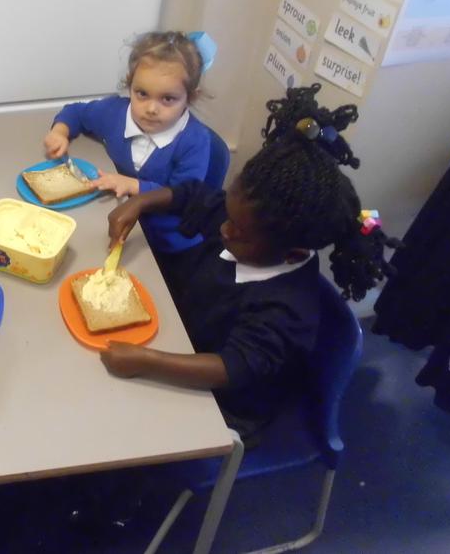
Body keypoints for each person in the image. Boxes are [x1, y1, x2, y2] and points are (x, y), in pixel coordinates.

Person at [100, 84, 400, 440]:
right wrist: (140, 202)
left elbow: (230, 368)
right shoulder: (247, 226)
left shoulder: (287, 311)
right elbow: (193, 196)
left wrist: (148, 362)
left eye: (237, 231)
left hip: (222, 405)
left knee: (111, 422)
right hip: (182, 336)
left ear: (293, 254)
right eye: (228, 216)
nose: (223, 229)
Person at [43, 31, 218, 254]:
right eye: (142, 94)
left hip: (169, 245)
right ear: (130, 84)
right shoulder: (115, 112)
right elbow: (76, 112)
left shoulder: (195, 140)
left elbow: (184, 197)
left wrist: (134, 186)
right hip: (120, 227)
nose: (151, 109)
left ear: (190, 97)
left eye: (167, 98)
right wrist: (60, 132)